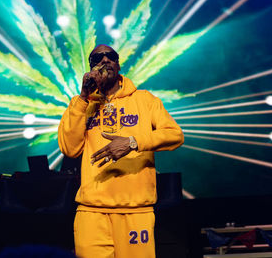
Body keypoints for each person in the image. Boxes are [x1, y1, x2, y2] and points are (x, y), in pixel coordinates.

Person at [58, 44, 184, 258]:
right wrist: (83, 97)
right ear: (91, 68)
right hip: (91, 209)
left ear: (118, 63)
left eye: (110, 56)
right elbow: (70, 149)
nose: (105, 60)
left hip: (135, 209)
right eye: (97, 58)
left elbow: (175, 135)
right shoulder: (80, 105)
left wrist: (132, 142)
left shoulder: (145, 100)